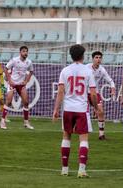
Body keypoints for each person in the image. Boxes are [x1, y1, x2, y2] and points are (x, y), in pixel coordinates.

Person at [53, 44, 99, 178]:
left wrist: (56, 109)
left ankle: (65, 169)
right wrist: (96, 108)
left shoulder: (65, 70)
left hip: (67, 109)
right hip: (81, 109)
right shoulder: (87, 71)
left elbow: (60, 92)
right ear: (83, 56)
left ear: (71, 56)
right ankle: (81, 170)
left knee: (66, 136)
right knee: (83, 138)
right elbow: (93, 94)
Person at [0, 46, 34, 130]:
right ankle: (2, 121)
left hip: (21, 85)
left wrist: (26, 81)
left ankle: (26, 122)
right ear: (20, 52)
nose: (25, 53)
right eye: (23, 51)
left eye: (26, 51)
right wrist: (10, 80)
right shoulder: (14, 60)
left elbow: (31, 71)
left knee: (26, 102)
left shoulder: (29, 62)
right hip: (13, 83)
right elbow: (6, 68)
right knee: (8, 101)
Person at [86, 51, 115, 140]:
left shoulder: (102, 70)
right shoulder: (86, 67)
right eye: (96, 57)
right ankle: (80, 130)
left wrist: (113, 88)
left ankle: (101, 134)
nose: (98, 59)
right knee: (84, 113)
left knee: (101, 112)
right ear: (93, 59)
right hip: (84, 93)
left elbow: (110, 80)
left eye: (100, 57)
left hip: (95, 93)